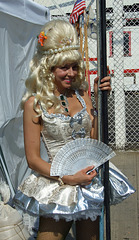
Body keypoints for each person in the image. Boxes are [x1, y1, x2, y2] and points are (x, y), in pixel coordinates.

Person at [14, 19, 111, 240]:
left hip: (87, 183)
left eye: (75, 66)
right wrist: (68, 178)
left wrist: (99, 100)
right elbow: (33, 160)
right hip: (58, 185)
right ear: (48, 68)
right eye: (63, 67)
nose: (71, 73)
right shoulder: (34, 104)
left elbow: (94, 140)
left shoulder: (82, 94)